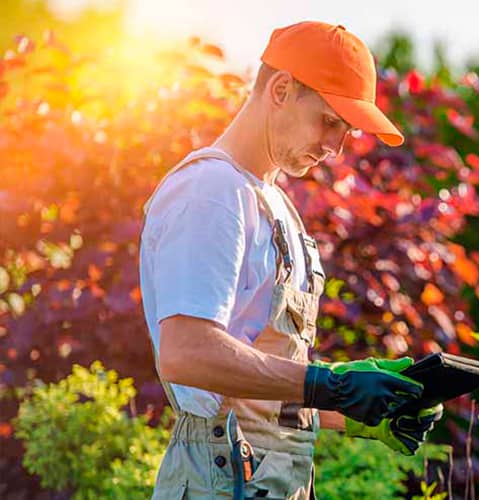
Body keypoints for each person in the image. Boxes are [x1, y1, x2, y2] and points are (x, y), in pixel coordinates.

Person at [139, 21, 441, 499]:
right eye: (329, 121)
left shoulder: (275, 205)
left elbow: (258, 399)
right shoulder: (212, 192)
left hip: (269, 478)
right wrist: (330, 385)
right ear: (281, 89)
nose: (336, 147)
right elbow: (186, 352)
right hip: (218, 479)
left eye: (346, 130)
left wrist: (360, 411)